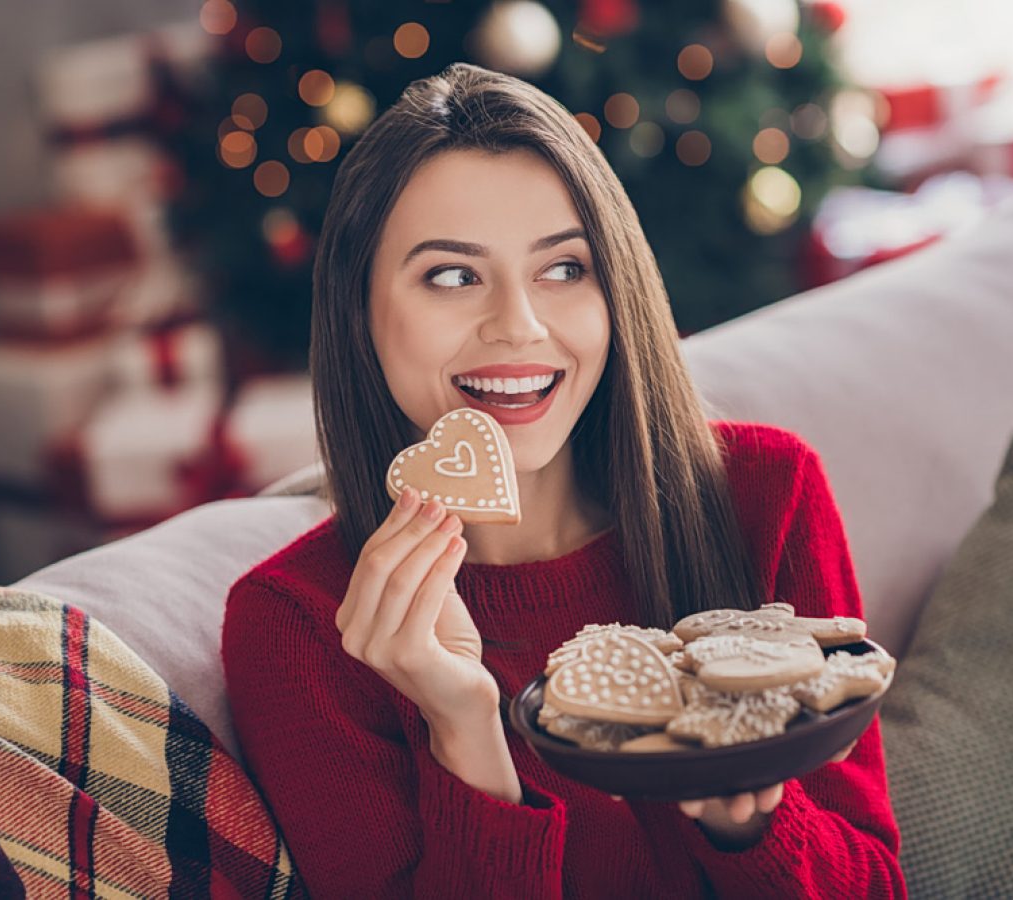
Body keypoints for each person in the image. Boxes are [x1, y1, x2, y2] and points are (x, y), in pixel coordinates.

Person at [222, 62, 906, 899]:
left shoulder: (766, 495)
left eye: (564, 268)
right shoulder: (295, 626)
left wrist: (747, 818)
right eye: (451, 275)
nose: (519, 324)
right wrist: (468, 730)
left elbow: (875, 883)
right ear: (359, 311)